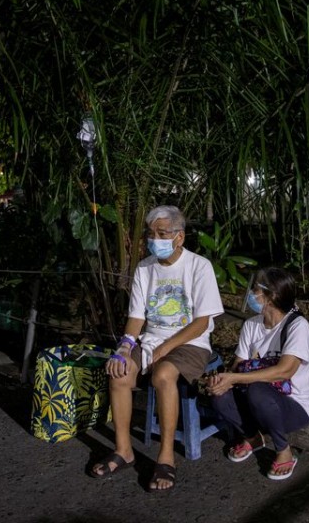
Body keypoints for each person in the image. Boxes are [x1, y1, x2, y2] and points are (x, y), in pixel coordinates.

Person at [89, 205, 224, 492]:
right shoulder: (144, 267)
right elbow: (137, 317)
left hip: (190, 343)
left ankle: (166, 458)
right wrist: (124, 347)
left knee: (163, 374)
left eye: (162, 233)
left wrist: (166, 347)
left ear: (180, 237)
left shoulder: (199, 266)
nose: (155, 240)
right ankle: (124, 450)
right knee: (119, 373)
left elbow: (201, 323)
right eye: (152, 234)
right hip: (150, 339)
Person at [204, 267, 309, 481]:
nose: (250, 294)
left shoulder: (298, 326)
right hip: (256, 400)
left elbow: (284, 371)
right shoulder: (251, 324)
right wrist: (223, 380)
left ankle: (283, 450)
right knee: (219, 395)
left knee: (258, 391)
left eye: (255, 289)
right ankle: (252, 437)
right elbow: (239, 365)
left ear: (271, 296)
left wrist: (235, 378)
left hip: (293, 405)